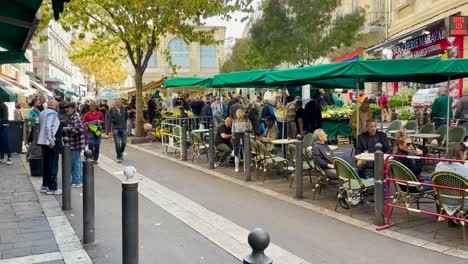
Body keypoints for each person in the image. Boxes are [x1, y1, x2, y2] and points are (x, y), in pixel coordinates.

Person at [37, 100, 62, 195]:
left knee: (47, 164)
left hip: (43, 142)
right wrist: (51, 140)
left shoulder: (43, 112)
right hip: (50, 143)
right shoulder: (53, 114)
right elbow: (49, 127)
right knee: (52, 164)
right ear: (56, 106)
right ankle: (52, 187)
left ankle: (45, 185)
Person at [64, 103, 85, 187]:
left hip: (75, 143)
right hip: (73, 143)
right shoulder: (71, 117)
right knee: (75, 162)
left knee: (75, 162)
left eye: (68, 108)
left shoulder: (75, 117)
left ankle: (77, 181)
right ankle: (77, 179)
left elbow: (80, 129)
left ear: (73, 108)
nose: (66, 109)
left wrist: (68, 129)